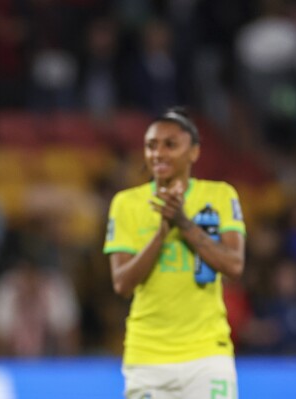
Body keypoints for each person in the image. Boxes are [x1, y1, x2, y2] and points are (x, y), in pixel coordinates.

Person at [103, 107, 245, 399]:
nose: (158, 154)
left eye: (170, 145)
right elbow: (122, 284)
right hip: (147, 356)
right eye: (151, 145)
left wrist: (184, 223)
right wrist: (161, 233)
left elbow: (234, 265)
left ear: (193, 152)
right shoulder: (126, 203)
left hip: (207, 355)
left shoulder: (220, 196)